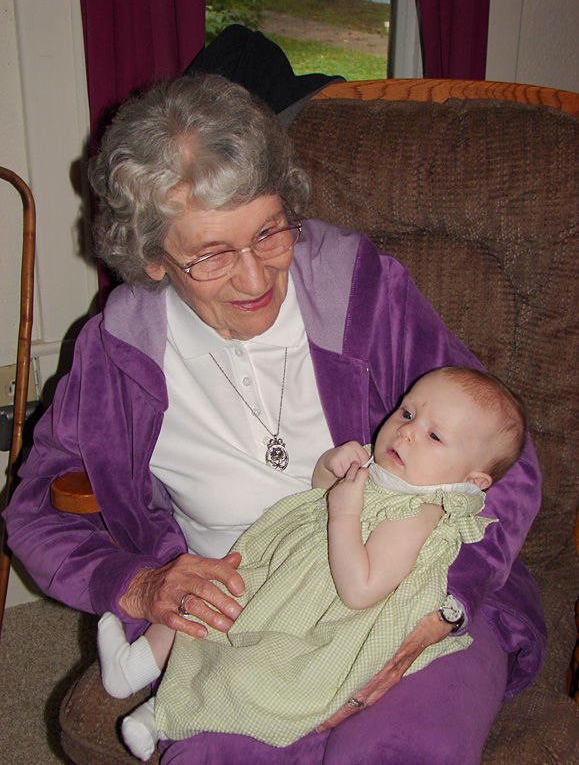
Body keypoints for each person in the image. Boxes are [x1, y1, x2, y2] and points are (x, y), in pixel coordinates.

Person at [4, 74, 545, 765]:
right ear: (151, 259)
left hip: (408, 589)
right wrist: (140, 584)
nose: (256, 279)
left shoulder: (359, 290)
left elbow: (507, 459)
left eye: (268, 232)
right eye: (209, 255)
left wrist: (443, 606)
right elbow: (35, 509)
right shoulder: (120, 355)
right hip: (242, 626)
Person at [99, 365, 525, 760]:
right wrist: (329, 468)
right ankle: (130, 668)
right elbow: (318, 491)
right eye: (407, 412)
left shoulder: (419, 512)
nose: (407, 432)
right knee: (201, 596)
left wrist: (344, 512)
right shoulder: (390, 469)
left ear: (472, 481)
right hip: (290, 575)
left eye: (435, 436)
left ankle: (157, 716)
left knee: (247, 667)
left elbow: (360, 589)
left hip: (321, 616)